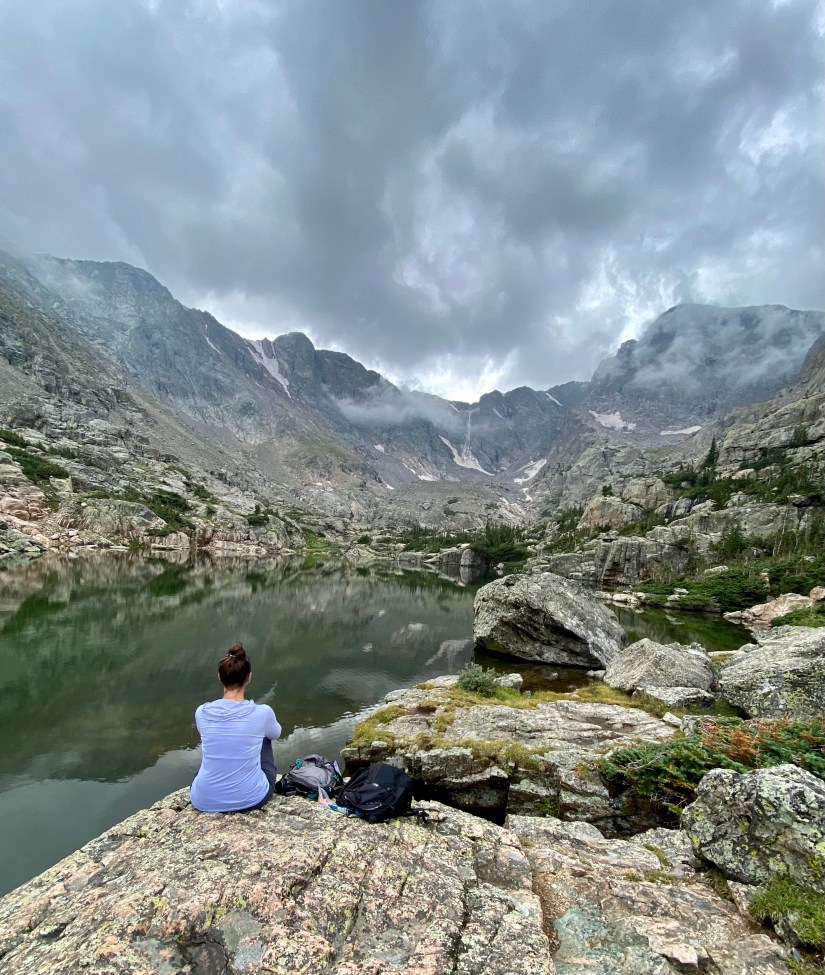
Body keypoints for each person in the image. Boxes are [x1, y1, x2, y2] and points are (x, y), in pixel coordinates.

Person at [190, 643, 282, 812]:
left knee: (213, 749)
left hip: (203, 800)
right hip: (251, 798)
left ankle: (213, 788)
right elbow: (276, 734)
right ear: (249, 677)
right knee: (265, 739)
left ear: (219, 677)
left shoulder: (201, 712)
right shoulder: (263, 713)